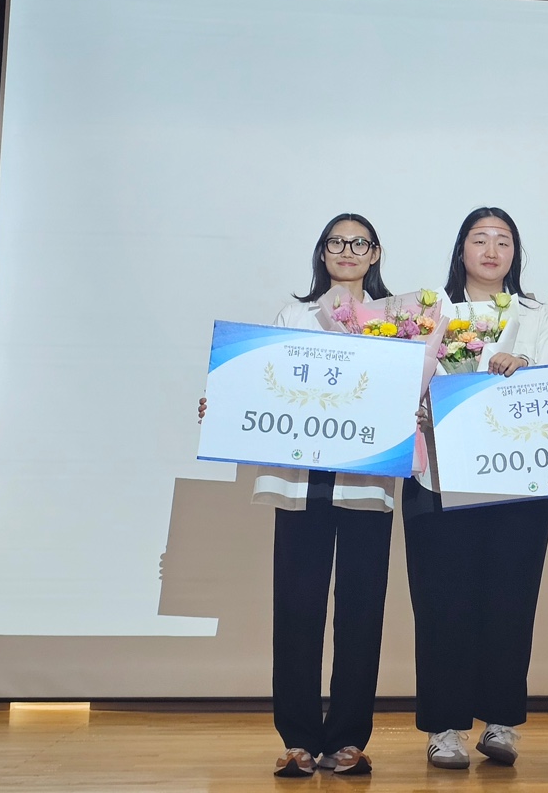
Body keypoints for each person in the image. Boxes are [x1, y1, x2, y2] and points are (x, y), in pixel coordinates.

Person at [209, 213, 396, 778]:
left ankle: (348, 739)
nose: (347, 250)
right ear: (322, 251)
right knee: (296, 607)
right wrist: (225, 406)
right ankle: (298, 739)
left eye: (359, 243)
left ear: (375, 253)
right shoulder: (292, 317)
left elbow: (402, 393)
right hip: (299, 479)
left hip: (365, 482)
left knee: (361, 610)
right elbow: (263, 386)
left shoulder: (395, 321)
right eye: (337, 242)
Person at [403, 207, 548, 770]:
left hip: (516, 481)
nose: (492, 251)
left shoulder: (537, 318)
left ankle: (501, 722)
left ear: (515, 254)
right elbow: (401, 382)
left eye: (503, 241)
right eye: (480, 239)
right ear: (461, 250)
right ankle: (445, 727)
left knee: (510, 601)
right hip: (439, 480)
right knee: (441, 603)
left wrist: (524, 365)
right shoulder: (430, 314)